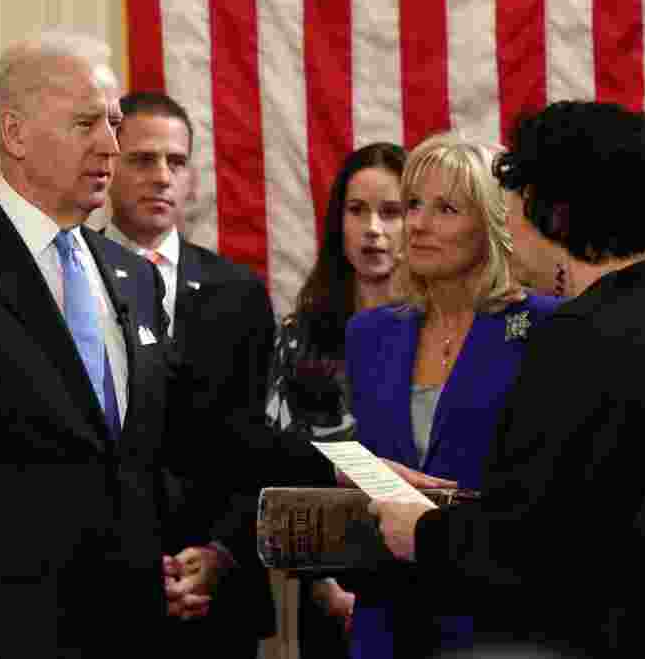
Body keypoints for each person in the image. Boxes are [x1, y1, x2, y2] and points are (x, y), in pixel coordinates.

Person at [0, 31, 347, 657]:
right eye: (87, 123)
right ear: (17, 132)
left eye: (112, 123)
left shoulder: (133, 276)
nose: (112, 146)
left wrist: (355, 472)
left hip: (131, 633)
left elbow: (207, 436)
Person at [370, 101, 645, 657]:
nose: (509, 233)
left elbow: (539, 550)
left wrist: (419, 533)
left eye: (511, 211)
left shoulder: (578, 338)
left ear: (552, 211)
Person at [343, 133, 560, 658]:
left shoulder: (546, 327)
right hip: (386, 620)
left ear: (491, 224)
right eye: (413, 204)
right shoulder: (370, 332)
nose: (417, 223)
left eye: (446, 209)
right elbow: (352, 454)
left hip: (497, 622)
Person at [106, 91, 276, 655]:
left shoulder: (241, 294)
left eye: (175, 163)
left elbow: (253, 446)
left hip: (218, 596)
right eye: (142, 159)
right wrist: (131, 568)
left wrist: (221, 552)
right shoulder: (69, 280)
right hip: (102, 594)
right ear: (108, 164)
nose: (161, 176)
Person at [263, 142, 406, 658]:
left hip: (425, 573)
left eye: (391, 212)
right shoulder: (299, 336)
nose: (374, 229)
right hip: (321, 584)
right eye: (357, 210)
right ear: (336, 223)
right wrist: (326, 589)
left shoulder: (445, 333)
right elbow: (276, 470)